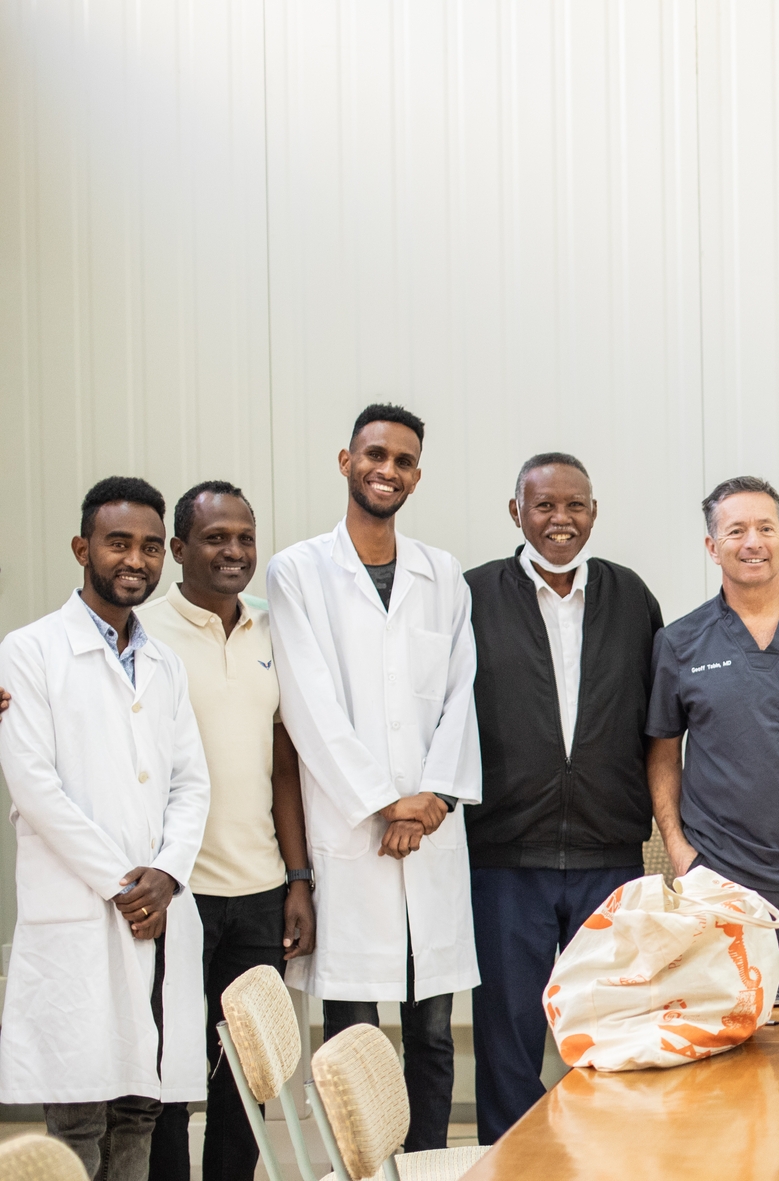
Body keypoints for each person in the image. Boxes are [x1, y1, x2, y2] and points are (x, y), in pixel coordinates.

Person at [267, 403, 480, 1152]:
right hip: (355, 837)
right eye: (374, 454)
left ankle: (424, 1165)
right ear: (345, 461)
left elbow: (461, 695)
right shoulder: (297, 572)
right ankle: (363, 1168)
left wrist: (427, 805)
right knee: (353, 1036)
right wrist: (391, 801)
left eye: (402, 460)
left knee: (430, 1033)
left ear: (416, 474)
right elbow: (309, 710)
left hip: (426, 837)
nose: (386, 469)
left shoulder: (442, 574)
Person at [0, 478, 210, 1181]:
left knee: (140, 1110)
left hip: (156, 909)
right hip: (87, 913)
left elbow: (191, 782)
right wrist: (127, 885)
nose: (137, 560)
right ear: (81, 548)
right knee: (80, 1117)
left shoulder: (165, 662)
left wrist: (169, 871)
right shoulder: (28, 652)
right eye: (119, 543)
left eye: (151, 546)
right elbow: (35, 788)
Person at [464, 453, 662, 1144]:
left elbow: (656, 722)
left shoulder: (630, 597)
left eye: (574, 505)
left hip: (608, 855)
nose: (560, 519)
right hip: (504, 856)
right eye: (544, 505)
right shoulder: (473, 595)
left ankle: (608, 1158)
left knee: (610, 1034)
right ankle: (511, 1160)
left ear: (593, 512)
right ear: (515, 511)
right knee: (508, 1037)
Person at [140, 482, 316, 1181]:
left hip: (261, 891)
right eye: (216, 538)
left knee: (248, 1080)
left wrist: (297, 880)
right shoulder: (143, 630)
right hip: (178, 892)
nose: (235, 550)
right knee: (172, 1077)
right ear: (180, 549)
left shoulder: (272, 628)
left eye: (245, 536)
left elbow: (284, 768)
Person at [647, 476, 779, 965]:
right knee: (732, 1028)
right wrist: (680, 853)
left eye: (766, 528)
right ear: (712, 547)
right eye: (736, 531)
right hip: (721, 877)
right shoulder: (680, 642)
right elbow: (662, 753)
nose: (753, 542)